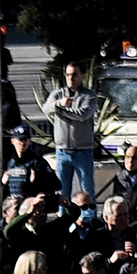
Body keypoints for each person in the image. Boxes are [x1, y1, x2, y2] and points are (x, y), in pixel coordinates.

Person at [41, 63, 101, 199]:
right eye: (68, 75)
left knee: (87, 189)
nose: (70, 78)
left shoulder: (89, 96)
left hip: (83, 151)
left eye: (74, 74)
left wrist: (60, 110)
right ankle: (64, 218)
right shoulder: (58, 94)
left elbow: (82, 115)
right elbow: (46, 108)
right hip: (62, 151)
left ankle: (89, 218)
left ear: (83, 76)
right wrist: (58, 104)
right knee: (62, 192)